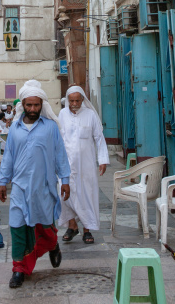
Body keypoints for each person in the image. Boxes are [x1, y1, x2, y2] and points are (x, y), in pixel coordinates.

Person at [0, 79, 71, 289]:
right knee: (17, 227)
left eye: (36, 105)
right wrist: (3, 181)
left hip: (44, 187)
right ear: (23, 104)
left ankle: (52, 244)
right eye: (28, 105)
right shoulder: (14, 129)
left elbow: (60, 155)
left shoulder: (50, 128)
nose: (32, 109)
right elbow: (9, 155)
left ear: (42, 105)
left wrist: (65, 179)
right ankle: (18, 269)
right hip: (20, 188)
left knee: (45, 226)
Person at [58, 85, 109, 245]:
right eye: (71, 101)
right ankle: (72, 225)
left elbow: (99, 138)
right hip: (66, 165)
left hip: (86, 165)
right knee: (64, 195)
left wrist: (102, 160)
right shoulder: (62, 114)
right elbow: (58, 140)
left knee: (87, 195)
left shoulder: (90, 115)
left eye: (77, 101)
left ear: (82, 100)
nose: (74, 104)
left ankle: (87, 229)